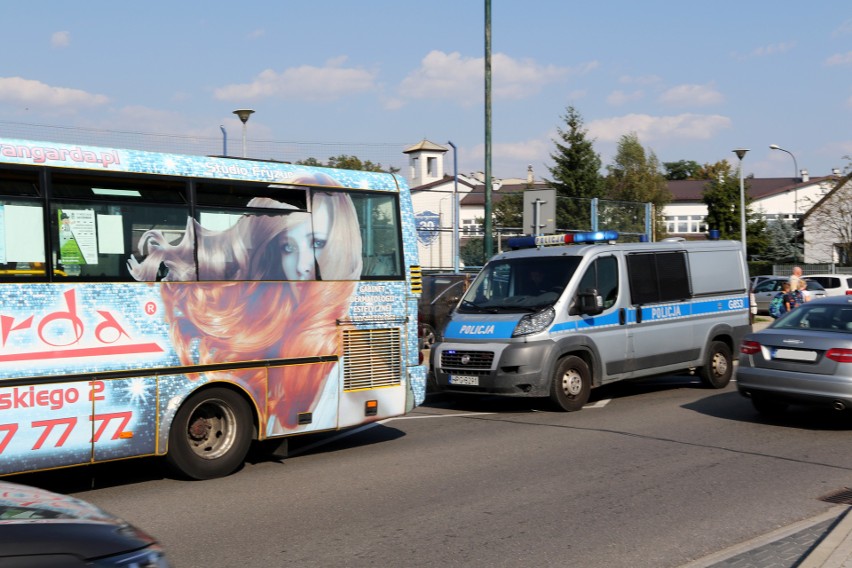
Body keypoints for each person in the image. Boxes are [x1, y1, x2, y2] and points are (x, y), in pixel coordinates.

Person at [128, 173, 364, 433]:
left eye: (317, 243)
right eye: (288, 247)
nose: (301, 265)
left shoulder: (343, 352)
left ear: (342, 247)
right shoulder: (267, 320)